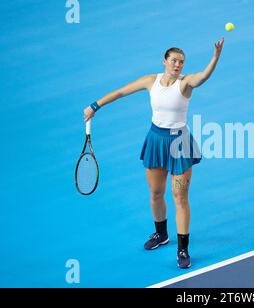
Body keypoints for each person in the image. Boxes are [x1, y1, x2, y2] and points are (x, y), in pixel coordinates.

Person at [83, 38, 225, 269]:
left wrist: (215, 58)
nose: (178, 65)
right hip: (156, 140)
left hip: (180, 144)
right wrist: (95, 106)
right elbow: (120, 92)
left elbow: (203, 77)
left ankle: (183, 249)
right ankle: (161, 234)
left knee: (179, 197)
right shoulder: (151, 81)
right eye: (174, 61)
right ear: (164, 62)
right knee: (156, 193)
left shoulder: (186, 83)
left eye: (181, 62)